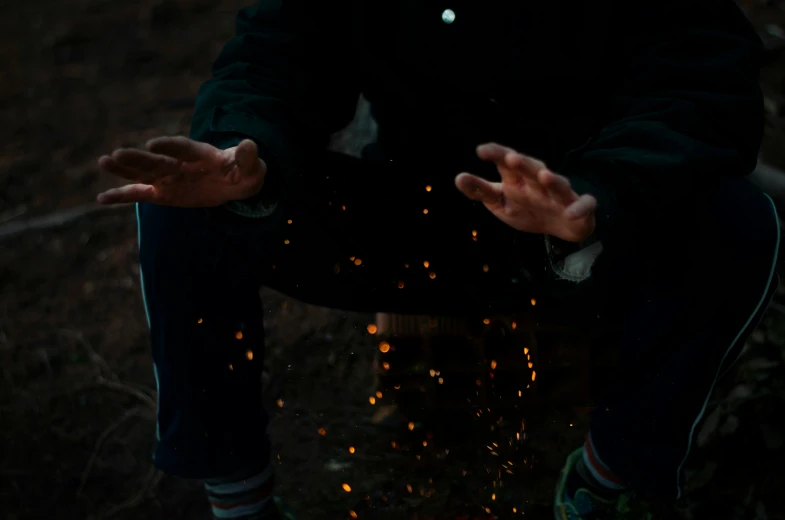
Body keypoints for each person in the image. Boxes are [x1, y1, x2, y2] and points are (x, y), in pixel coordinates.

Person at [95, 0, 780, 518]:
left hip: (571, 230)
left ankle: (610, 484)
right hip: (407, 221)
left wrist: (598, 196)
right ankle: (240, 501)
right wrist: (245, 151)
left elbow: (700, 82)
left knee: (738, 223)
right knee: (178, 206)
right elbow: (273, 57)